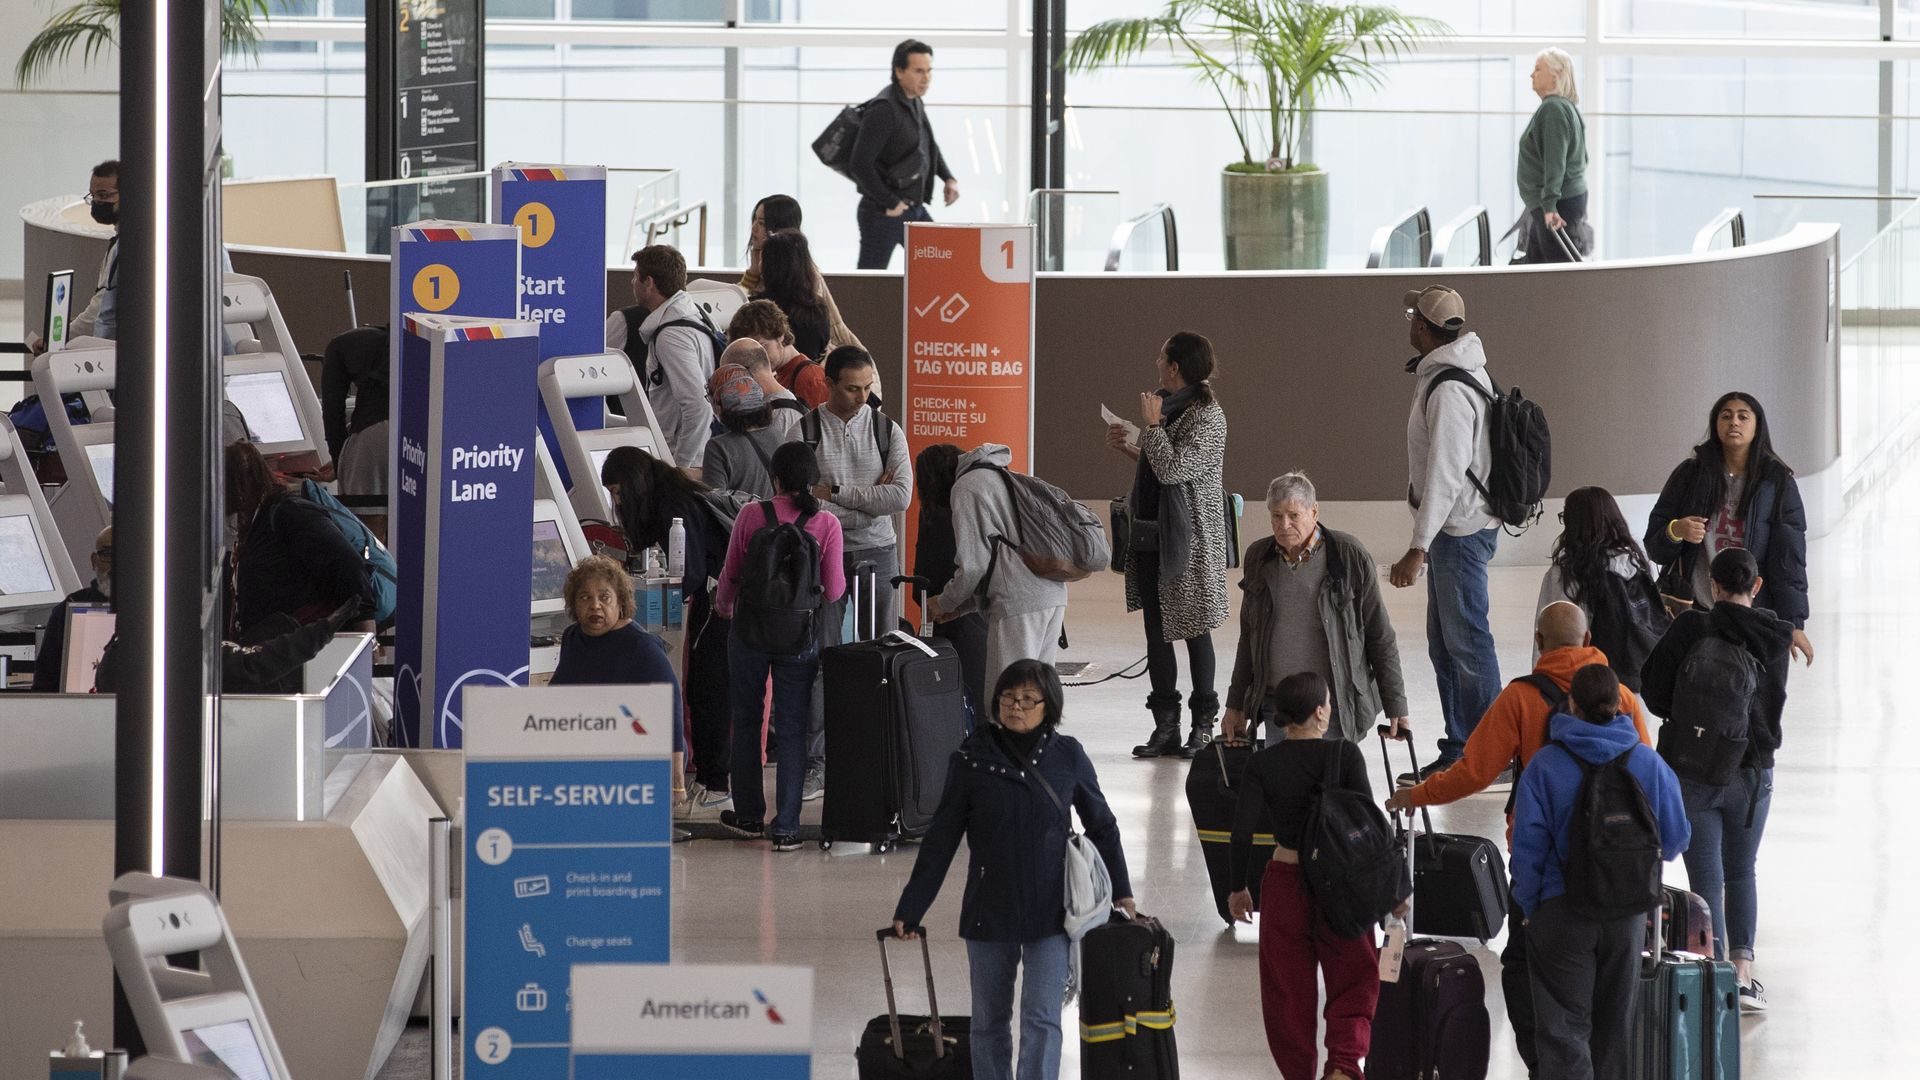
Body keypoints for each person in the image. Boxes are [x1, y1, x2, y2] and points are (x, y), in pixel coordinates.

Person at [1387, 600, 1652, 1075]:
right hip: (1621, 880)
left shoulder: (1521, 699)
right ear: (1589, 641)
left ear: (1538, 643)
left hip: (1548, 879)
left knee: (1529, 978)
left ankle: (1544, 1067)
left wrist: (1418, 797)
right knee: (1614, 1013)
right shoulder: (1624, 699)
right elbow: (1647, 787)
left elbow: (1473, 772)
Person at [891, 660, 1135, 1080]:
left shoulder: (1067, 756)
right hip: (989, 910)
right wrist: (912, 906)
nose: (1015, 707)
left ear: (1048, 706)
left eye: (1027, 700)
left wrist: (1123, 893)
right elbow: (942, 838)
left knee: (1042, 1019)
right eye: (1007, 698)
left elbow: (1102, 826)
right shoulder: (971, 758)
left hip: (1052, 913)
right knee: (988, 1022)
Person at [1509, 663, 1689, 1080]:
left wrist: (1531, 907)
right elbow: (1677, 838)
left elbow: (1527, 848)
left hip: (1561, 911)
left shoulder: (1545, 765)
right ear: (1619, 705)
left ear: (1571, 704)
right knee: (1613, 1033)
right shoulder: (1647, 763)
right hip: (1626, 915)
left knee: (1563, 1033)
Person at [1638, 547, 1794, 1011]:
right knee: (1742, 871)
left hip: (1694, 766)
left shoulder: (1690, 627)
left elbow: (1653, 687)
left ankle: (1716, 974)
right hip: (1751, 771)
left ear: (1713, 585)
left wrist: (1689, 718)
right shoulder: (1775, 636)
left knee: (1707, 876)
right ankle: (1744, 975)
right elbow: (1772, 704)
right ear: (1757, 585)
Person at [1227, 672, 1395, 1080]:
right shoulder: (1345, 754)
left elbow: (1241, 831)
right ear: (1321, 712)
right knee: (1354, 979)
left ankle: (1298, 1074)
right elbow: (1370, 829)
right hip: (1342, 886)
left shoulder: (1262, 763)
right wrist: (1390, 890)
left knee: (1287, 994)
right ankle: (1342, 1064)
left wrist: (1238, 889)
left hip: (1285, 883)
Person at [1389, 285, 1503, 784]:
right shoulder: (1451, 369)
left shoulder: (1452, 387)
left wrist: (1418, 546)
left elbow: (1446, 473)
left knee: (1467, 643)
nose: (1408, 321)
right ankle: (1463, 747)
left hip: (1458, 531)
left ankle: (1493, 755)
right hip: (1456, 529)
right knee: (1447, 643)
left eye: (1413, 315)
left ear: (1422, 326)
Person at [715, 442, 846, 851]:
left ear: (775, 478)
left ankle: (750, 816)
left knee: (748, 721)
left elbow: (731, 573)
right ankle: (787, 827)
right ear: (813, 482)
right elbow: (835, 589)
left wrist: (723, 609)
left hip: (749, 633)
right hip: (799, 638)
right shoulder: (826, 523)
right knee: (792, 730)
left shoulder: (752, 515)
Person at [1106, 331, 1229, 760]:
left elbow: (1177, 470)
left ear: (1175, 367)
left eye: (1161, 357)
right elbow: (1160, 465)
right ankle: (1166, 728)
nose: (1156, 362)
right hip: (1152, 534)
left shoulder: (1208, 417)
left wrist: (1152, 428)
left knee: (1194, 630)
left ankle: (1202, 727)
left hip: (1190, 541)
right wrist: (1132, 447)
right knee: (1156, 634)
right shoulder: (1170, 407)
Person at [1221, 472, 1409, 745]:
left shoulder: (1350, 555)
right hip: (1277, 703)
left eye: (1293, 515)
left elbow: (1380, 635)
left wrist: (1396, 706)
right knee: (1284, 784)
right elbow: (1248, 638)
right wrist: (1235, 704)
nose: (1284, 525)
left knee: (1330, 784)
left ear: (1314, 511)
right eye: (1276, 516)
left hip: (1333, 703)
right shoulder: (1258, 557)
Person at [600, 446, 733, 820]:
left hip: (717, 600)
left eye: (619, 492)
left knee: (709, 689)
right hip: (714, 595)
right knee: (704, 688)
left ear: (635, 483)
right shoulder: (671, 495)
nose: (617, 500)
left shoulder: (673, 506)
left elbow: (687, 571)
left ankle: (716, 782)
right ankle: (710, 778)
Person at [1644, 391, 1813, 664]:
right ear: (1716, 425)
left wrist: (1794, 622)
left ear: (1757, 426)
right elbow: (1655, 540)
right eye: (1726, 416)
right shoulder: (1690, 475)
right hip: (1697, 609)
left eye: (1743, 416)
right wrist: (1677, 530)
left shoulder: (1776, 481)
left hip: (1753, 612)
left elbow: (1789, 559)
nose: (1734, 422)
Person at [550, 554, 691, 843]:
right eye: (585, 598)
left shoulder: (640, 646)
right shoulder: (573, 638)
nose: (595, 606)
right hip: (594, 741)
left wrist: (676, 776)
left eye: (604, 597)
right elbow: (558, 692)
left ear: (621, 602)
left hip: (645, 749)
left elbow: (671, 707)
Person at [925, 443, 1068, 703]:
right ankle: (1040, 744)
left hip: (1019, 604)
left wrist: (944, 602)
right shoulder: (1002, 475)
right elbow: (1002, 560)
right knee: (1037, 699)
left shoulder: (966, 488)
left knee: (1008, 703)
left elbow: (973, 565)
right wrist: (963, 607)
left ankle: (1011, 745)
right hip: (1052, 593)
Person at [225, 440, 377, 643]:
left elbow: (350, 567)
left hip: (300, 648)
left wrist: (367, 640)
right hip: (273, 648)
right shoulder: (257, 520)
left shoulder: (289, 513)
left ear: (240, 484)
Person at [1537, 486, 1667, 688]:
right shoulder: (1637, 563)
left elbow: (1552, 636)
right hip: (1641, 683)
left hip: (1592, 688)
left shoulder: (1565, 574)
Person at [607, 245, 719, 471]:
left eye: (635, 277)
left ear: (649, 283)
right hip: (700, 451)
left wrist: (679, 469)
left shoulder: (671, 335)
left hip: (684, 458)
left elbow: (698, 405)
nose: (632, 283)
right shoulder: (697, 316)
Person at [850, 39, 960, 270]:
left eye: (929, 71)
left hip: (914, 209)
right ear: (899, 72)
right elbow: (859, 164)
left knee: (944, 266)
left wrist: (948, 178)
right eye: (919, 71)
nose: (926, 78)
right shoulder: (884, 109)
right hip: (884, 212)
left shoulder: (914, 101)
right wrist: (892, 202)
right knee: (870, 283)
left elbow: (928, 146)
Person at [910, 443, 990, 720]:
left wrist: (938, 602)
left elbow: (926, 575)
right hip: (979, 613)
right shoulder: (971, 508)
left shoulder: (934, 515)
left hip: (946, 615)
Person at [739, 193, 865, 356]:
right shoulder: (760, 266)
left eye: (762, 223)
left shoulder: (805, 280)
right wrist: (752, 274)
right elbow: (735, 306)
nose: (754, 228)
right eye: (754, 220)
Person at [1518, 47, 1589, 263]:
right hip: (1557, 202)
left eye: (1538, 69)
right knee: (1536, 272)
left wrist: (1549, 206)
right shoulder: (1566, 107)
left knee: (1560, 279)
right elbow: (1583, 159)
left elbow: (1555, 162)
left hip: (1556, 207)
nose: (1532, 74)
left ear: (1555, 77)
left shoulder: (1553, 110)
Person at [319, 324, 390, 520]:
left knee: (365, 532)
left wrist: (340, 461)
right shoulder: (406, 339)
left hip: (372, 430)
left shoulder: (338, 345)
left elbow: (332, 414)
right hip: (416, 434)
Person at [31, 525, 112, 692]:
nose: (118, 564)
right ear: (94, 560)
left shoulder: (161, 610)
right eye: (108, 554)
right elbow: (44, 689)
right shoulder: (69, 608)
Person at [701, 363, 786, 500]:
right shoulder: (778, 434)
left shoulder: (718, 447)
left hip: (743, 520)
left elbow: (714, 501)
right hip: (781, 519)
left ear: (719, 404)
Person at [728, 298, 831, 410]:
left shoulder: (809, 379)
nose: (756, 358)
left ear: (780, 335)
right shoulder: (781, 374)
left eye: (762, 346)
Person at [750, 231, 830, 363]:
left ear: (770, 267)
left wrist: (751, 276)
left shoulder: (757, 310)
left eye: (762, 259)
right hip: (807, 380)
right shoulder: (819, 310)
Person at [68, 160, 120, 341]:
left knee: (44, 363)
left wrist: (62, 335)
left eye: (104, 195)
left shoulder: (123, 248)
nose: (97, 202)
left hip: (113, 347)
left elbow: (100, 310)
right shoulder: (120, 240)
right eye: (94, 195)